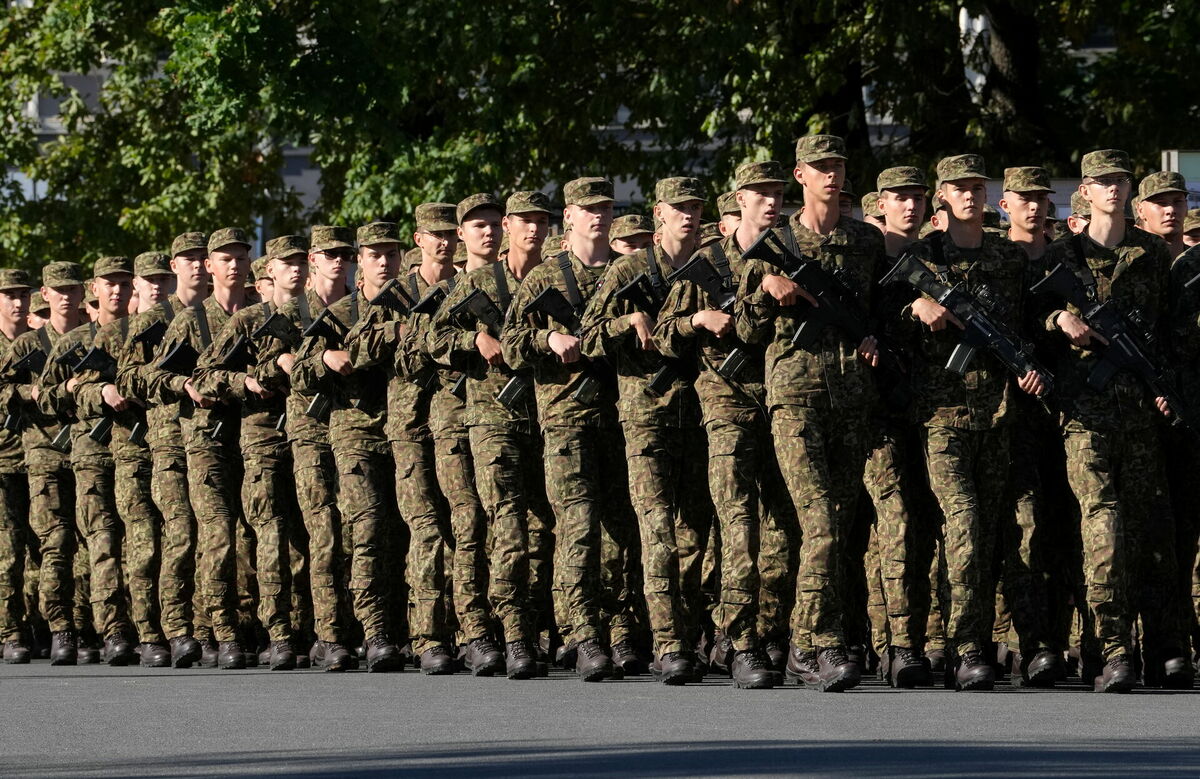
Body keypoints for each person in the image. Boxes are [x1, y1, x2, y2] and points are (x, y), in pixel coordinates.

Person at [1039, 150, 1186, 692]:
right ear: (1086, 189)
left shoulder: (1150, 253)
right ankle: (1112, 648)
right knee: (1102, 524)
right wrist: (1059, 316)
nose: (1114, 190)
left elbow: (1169, 331)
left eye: (1121, 181)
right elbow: (1030, 316)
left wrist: (1165, 389)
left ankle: (1163, 647)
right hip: (1085, 415)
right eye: (1103, 182)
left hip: (1141, 413)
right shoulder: (1062, 254)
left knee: (1151, 532)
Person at [902, 155, 1047, 691]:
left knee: (985, 533)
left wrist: (1030, 364)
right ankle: (964, 646)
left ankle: (975, 640)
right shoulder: (922, 256)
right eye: (959, 189)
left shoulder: (1008, 258)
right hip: (941, 414)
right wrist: (916, 307)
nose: (969, 196)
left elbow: (1035, 318)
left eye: (977, 188)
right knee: (961, 524)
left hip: (998, 412)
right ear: (942, 195)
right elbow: (885, 315)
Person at [502, 177, 640, 682]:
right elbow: (511, 344)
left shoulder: (631, 271)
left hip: (623, 412)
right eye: (588, 209)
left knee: (623, 527)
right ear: (570, 218)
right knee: (578, 526)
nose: (598, 216)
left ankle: (622, 632)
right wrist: (548, 336)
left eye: (606, 207)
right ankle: (582, 633)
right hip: (564, 417)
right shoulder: (545, 277)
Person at [581, 176, 714, 685]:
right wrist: (625, 322)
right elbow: (589, 334)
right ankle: (668, 643)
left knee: (695, 535)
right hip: (646, 416)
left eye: (695, 207)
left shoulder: (712, 269)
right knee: (656, 531)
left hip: (701, 414)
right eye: (678, 207)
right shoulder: (630, 269)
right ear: (659, 213)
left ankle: (696, 631)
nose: (688, 215)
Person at [429, 190, 557, 680]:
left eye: (540, 221)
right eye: (523, 221)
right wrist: (474, 338)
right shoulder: (482, 281)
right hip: (490, 416)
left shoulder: (556, 276)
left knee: (547, 527)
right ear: (509, 226)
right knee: (505, 525)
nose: (532, 229)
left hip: (547, 414)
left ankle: (547, 627)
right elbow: (433, 338)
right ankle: (509, 634)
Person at [148, 228, 254, 669]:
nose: (233, 266)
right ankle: (217, 631)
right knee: (216, 534)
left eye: (240, 258)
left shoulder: (260, 313)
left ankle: (221, 627)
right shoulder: (192, 320)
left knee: (251, 536)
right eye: (223, 259)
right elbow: (153, 377)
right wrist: (185, 384)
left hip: (255, 437)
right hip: (204, 442)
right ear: (209, 267)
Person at [255, 225, 357, 671]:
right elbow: (258, 365)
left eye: (344, 254)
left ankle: (353, 627)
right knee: (322, 530)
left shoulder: (360, 306)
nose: (338, 261)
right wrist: (283, 361)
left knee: (356, 531)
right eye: (327, 254)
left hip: (358, 428)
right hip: (311, 433)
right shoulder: (292, 314)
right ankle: (324, 633)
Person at [39, 256, 139, 666]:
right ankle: (110, 630)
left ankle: (143, 628)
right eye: (108, 284)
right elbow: (45, 396)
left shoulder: (146, 333)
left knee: (141, 542)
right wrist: (82, 389)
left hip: (138, 448)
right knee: (100, 541)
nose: (116, 291)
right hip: (93, 454)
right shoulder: (75, 342)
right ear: (93, 289)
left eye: (123, 283)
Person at [120, 231, 211, 667]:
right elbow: (130, 378)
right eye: (186, 258)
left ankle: (209, 626)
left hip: (215, 439)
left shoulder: (219, 313)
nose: (195, 264)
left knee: (216, 535)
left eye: (200, 257)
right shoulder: (154, 319)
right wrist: (175, 381)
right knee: (178, 534)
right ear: (175, 266)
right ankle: (168, 630)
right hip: (169, 441)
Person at [0, 269, 33, 662]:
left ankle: (37, 623)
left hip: (39, 454)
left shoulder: (35, 342)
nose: (17, 302)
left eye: (22, 295)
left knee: (44, 548)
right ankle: (10, 631)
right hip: (4, 457)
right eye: (9, 295)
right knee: (8, 549)